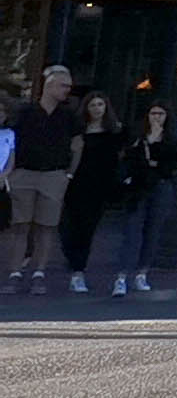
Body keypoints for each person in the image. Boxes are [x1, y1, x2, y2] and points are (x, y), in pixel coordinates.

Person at [106, 100, 177, 297]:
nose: (156, 118)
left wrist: (153, 158)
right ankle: (121, 277)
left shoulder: (171, 140)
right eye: (153, 114)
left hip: (160, 187)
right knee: (132, 232)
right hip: (138, 188)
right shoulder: (138, 138)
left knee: (153, 230)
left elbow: (168, 165)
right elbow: (132, 160)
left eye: (160, 114)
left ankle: (142, 273)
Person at [9, 66, 78, 291]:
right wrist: (10, 171)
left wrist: (68, 173)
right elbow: (10, 142)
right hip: (25, 172)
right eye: (63, 85)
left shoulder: (68, 115)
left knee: (46, 226)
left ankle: (39, 273)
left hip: (53, 174)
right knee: (20, 225)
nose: (67, 90)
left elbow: (78, 145)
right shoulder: (24, 112)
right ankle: (15, 272)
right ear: (49, 85)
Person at [57, 91, 122, 295]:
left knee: (87, 229)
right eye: (92, 105)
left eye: (100, 104)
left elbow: (119, 159)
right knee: (67, 227)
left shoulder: (115, 132)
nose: (96, 109)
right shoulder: (78, 131)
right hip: (76, 184)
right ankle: (72, 261)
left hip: (99, 186)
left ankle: (78, 272)